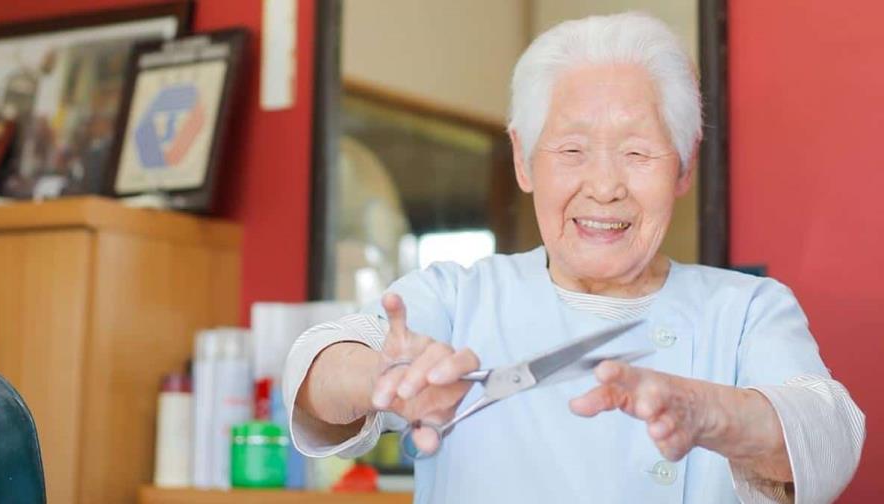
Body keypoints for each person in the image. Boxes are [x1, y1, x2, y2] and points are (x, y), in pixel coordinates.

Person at [285, 12, 865, 503]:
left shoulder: (747, 311)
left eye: (637, 152)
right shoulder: (456, 295)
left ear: (684, 164)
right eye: (572, 150)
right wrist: (381, 376)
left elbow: (828, 435)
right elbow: (313, 370)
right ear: (524, 160)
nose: (604, 186)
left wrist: (707, 413)